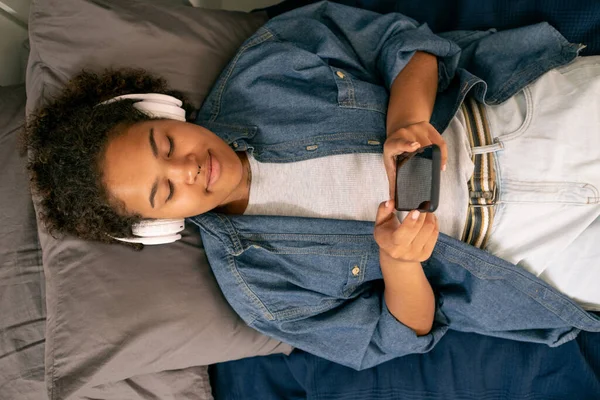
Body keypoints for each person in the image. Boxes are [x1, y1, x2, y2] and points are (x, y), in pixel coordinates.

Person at [23, 2, 600, 370]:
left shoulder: (269, 62)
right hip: (530, 255)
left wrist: (405, 119)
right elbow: (405, 335)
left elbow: (409, 44)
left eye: (165, 144)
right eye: (164, 192)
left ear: (160, 108)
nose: (188, 168)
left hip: (518, 120)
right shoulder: (264, 292)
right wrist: (399, 264)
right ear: (157, 227)